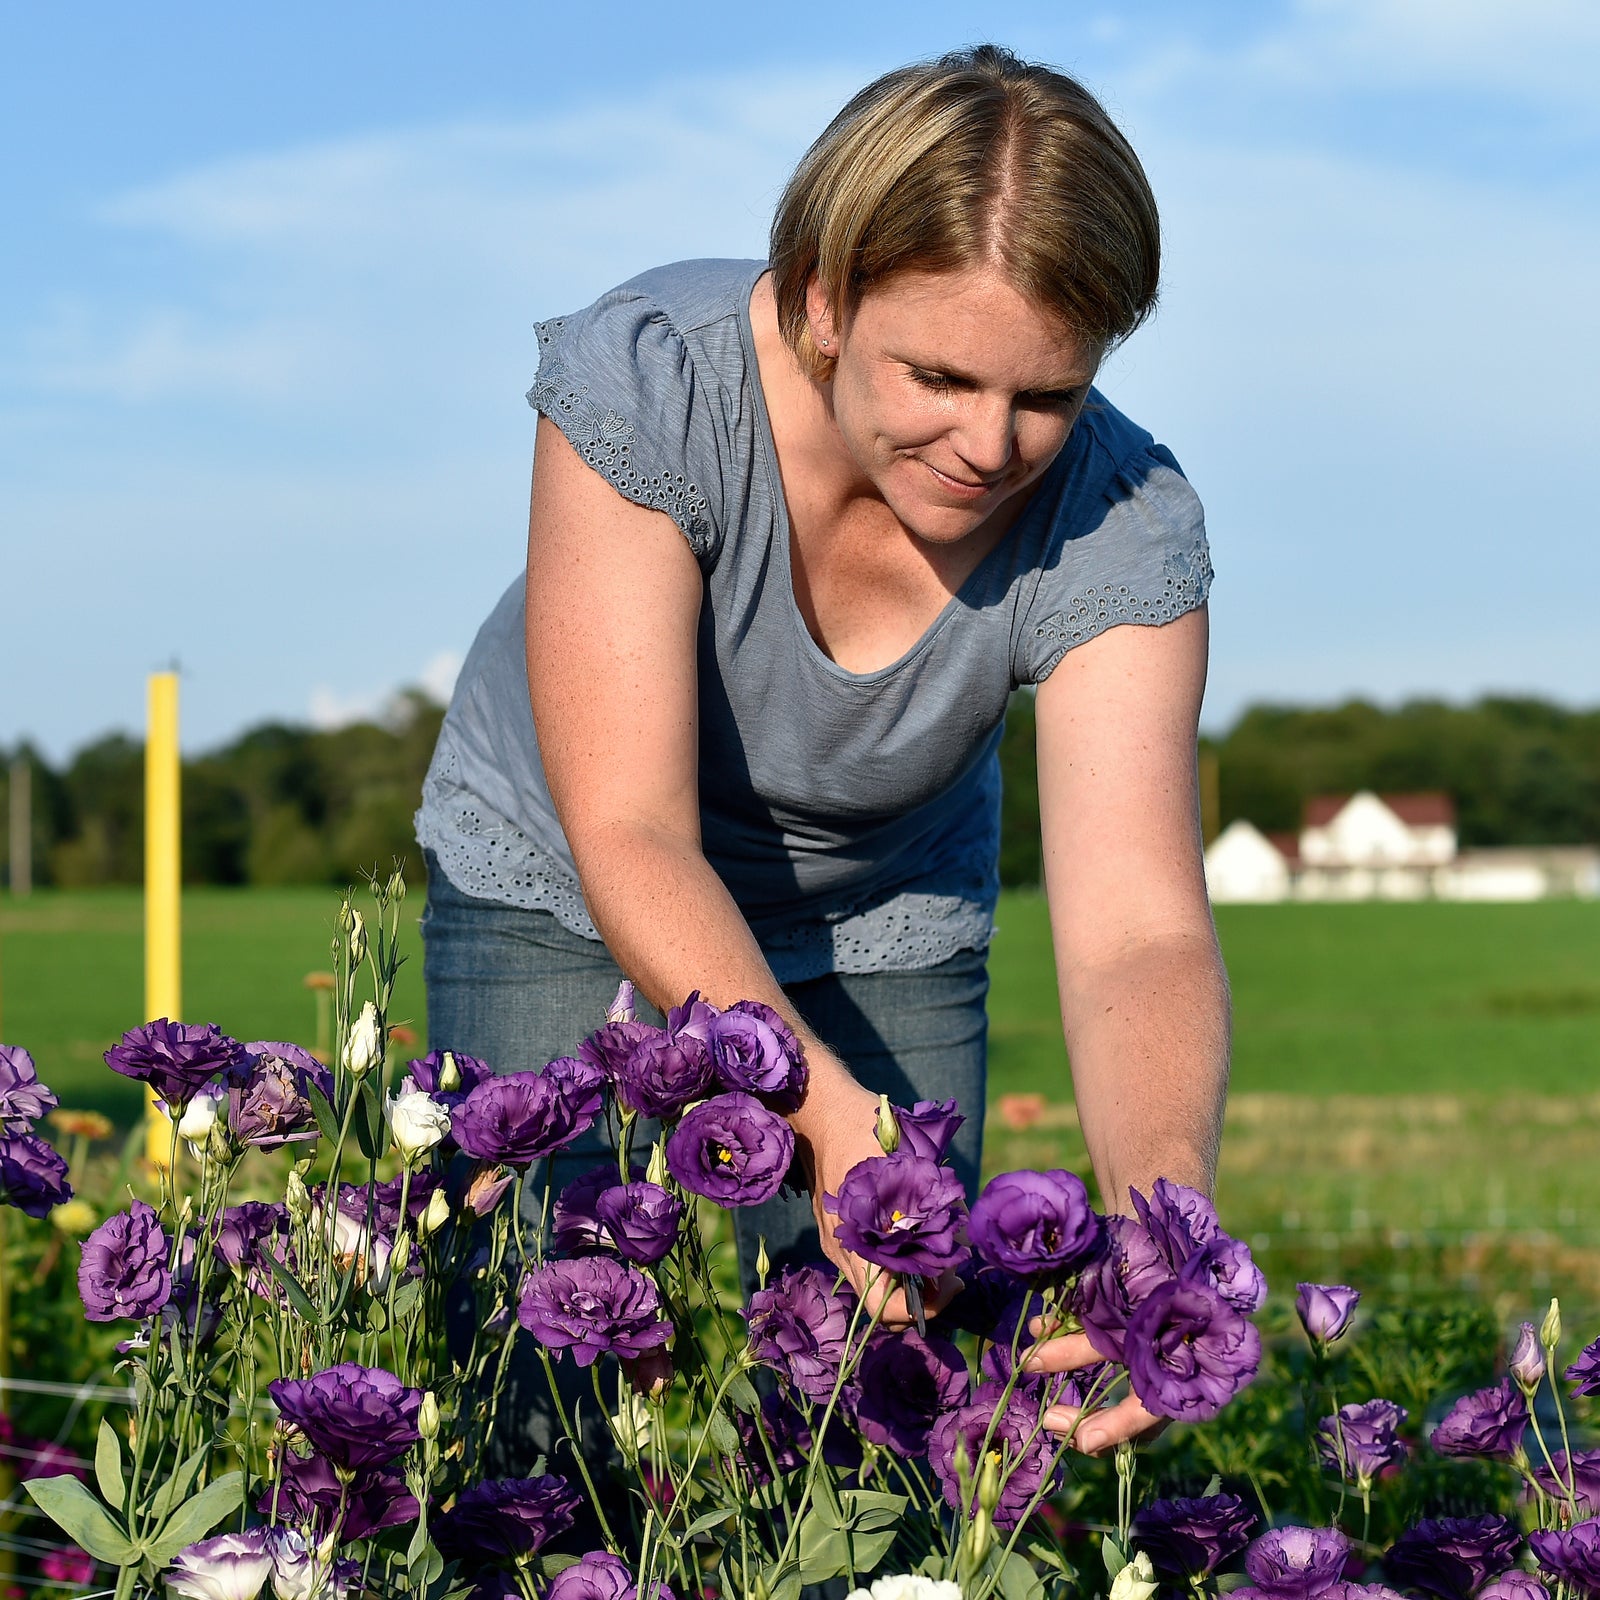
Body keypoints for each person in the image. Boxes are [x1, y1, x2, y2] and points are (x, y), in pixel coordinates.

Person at [416, 43, 1229, 1458]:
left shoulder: (1120, 520)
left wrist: (1168, 1236)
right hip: (565, 883)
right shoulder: (653, 385)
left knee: (884, 1404)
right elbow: (631, 829)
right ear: (823, 300)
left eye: (1045, 395)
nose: (988, 444)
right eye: (940, 374)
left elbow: (1137, 936)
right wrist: (819, 1113)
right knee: (539, 1396)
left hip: (881, 919)